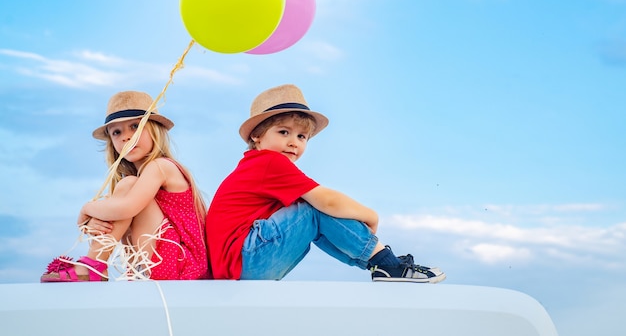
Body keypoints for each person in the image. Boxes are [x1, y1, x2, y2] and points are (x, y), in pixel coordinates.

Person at [206, 84, 445, 283]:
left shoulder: (255, 165)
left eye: (301, 136)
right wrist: (370, 215)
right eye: (283, 132)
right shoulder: (269, 162)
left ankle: (381, 266)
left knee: (311, 212)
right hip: (244, 259)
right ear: (256, 137)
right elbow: (328, 201)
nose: (293, 142)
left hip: (237, 266)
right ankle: (384, 264)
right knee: (313, 208)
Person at [40, 91, 208, 282]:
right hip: (154, 263)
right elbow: (122, 211)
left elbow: (127, 207)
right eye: (117, 132)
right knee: (123, 192)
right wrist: (94, 221)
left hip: (182, 265)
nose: (126, 137)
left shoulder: (161, 166)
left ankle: (94, 265)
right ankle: (95, 266)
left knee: (127, 189)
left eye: (135, 126)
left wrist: (86, 209)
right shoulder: (137, 178)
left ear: (154, 129)